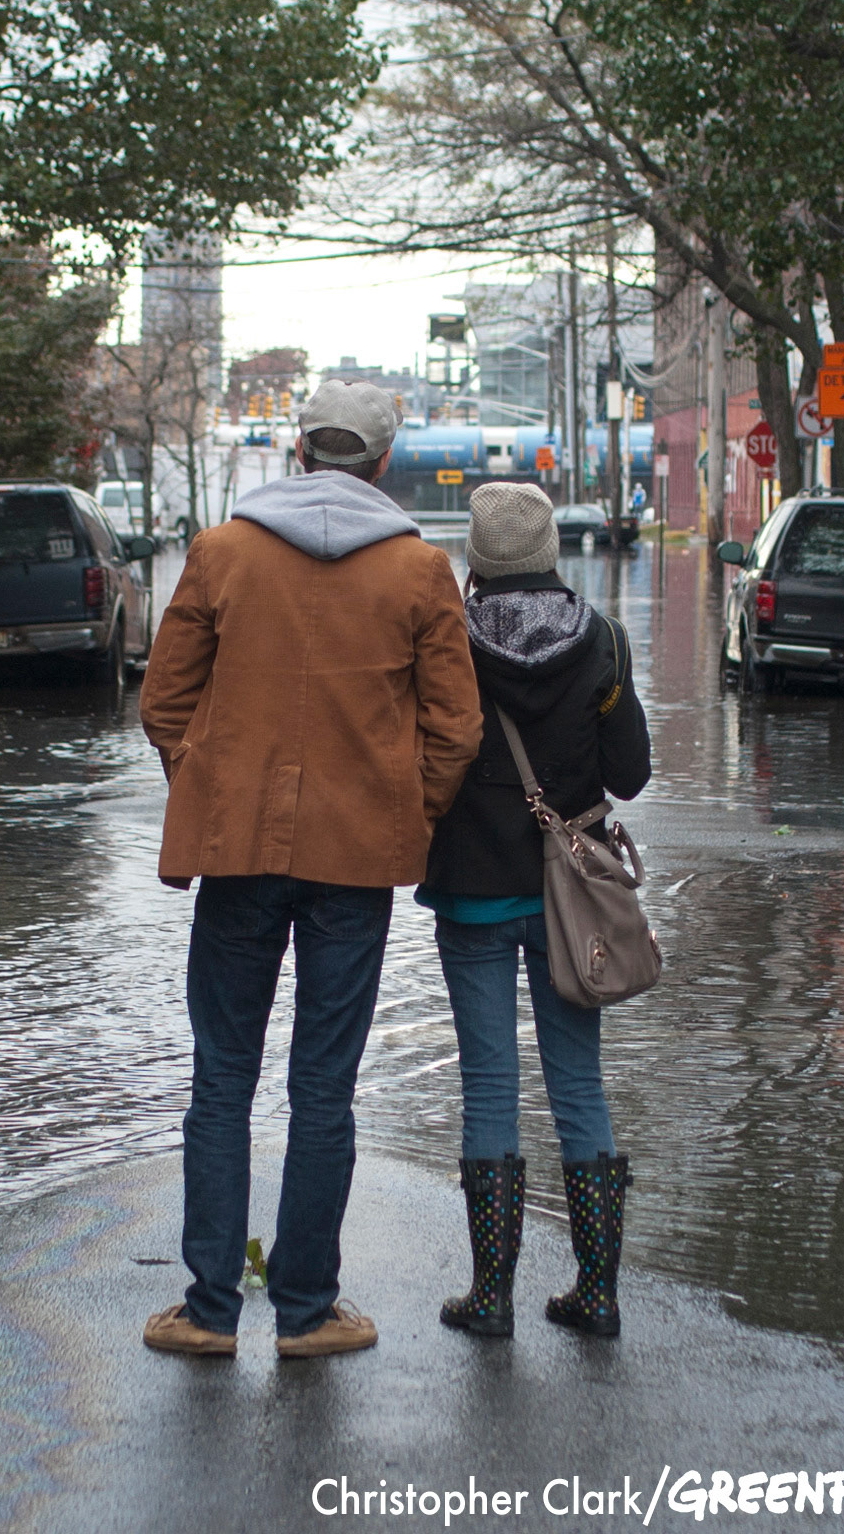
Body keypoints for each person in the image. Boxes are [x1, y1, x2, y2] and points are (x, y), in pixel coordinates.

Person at [138, 379, 482, 1361]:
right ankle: (305, 1312)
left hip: (236, 854)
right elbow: (455, 733)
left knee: (222, 1081)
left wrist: (211, 789)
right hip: (354, 864)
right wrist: (398, 813)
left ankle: (207, 1311)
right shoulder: (419, 572)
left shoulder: (222, 552)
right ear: (383, 463)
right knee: (323, 1090)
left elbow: (164, 704)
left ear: (298, 450)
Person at [416, 482, 651, 1340]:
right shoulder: (604, 645)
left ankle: (490, 1297)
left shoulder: (449, 642)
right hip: (571, 902)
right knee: (578, 1084)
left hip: (474, 890)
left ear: (476, 559)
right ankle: (597, 1293)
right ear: (551, 551)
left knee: (489, 1086)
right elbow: (631, 775)